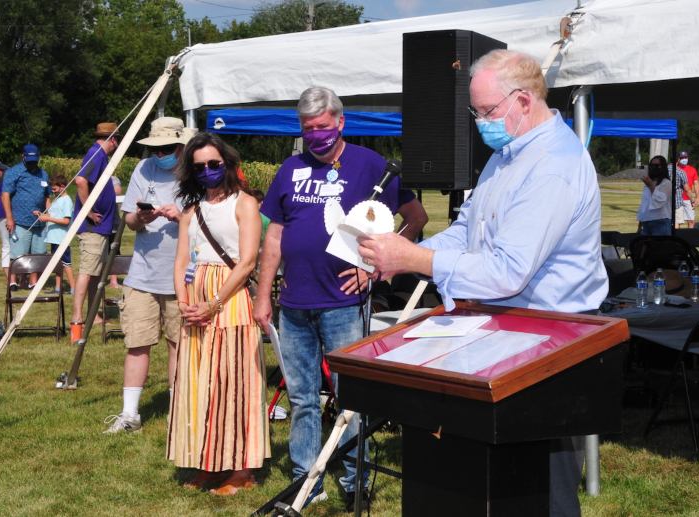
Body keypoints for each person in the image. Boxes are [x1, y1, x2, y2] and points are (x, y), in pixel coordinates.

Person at [357, 49, 607, 516]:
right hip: (502, 333)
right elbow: (467, 231)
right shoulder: (507, 155)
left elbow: (507, 270)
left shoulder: (553, 165)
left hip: (551, 340)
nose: (481, 123)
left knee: (542, 487)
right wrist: (405, 256)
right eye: (476, 112)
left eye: (489, 112)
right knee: (490, 482)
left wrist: (416, 257)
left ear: (525, 101)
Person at [253, 86, 428, 510]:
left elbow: (416, 218)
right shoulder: (290, 168)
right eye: (307, 129)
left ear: (340, 122)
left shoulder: (370, 166)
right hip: (294, 304)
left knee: (350, 398)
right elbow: (274, 234)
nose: (315, 136)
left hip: (344, 305)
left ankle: (354, 478)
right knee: (302, 398)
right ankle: (305, 481)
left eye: (322, 128)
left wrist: (377, 267)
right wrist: (263, 296)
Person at [168, 132, 268, 495]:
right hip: (195, 302)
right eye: (199, 167)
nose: (208, 171)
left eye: (213, 164)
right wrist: (183, 301)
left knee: (234, 383)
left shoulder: (245, 204)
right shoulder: (191, 212)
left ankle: (241, 470)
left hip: (229, 302)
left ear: (226, 164)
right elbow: (181, 260)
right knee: (200, 384)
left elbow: (246, 263)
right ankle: (208, 462)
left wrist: (213, 305)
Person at [104, 117, 191, 434]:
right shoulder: (143, 170)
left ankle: (179, 412)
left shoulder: (196, 172)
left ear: (180, 146)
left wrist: (180, 217)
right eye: (156, 149)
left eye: (167, 149)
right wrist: (140, 216)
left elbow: (205, 223)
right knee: (137, 344)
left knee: (178, 345)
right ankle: (129, 415)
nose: (161, 154)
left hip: (182, 276)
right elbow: (128, 220)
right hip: (142, 275)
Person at [71, 122, 119, 342]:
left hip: (101, 227)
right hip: (93, 226)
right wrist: (89, 211)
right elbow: (80, 180)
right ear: (112, 139)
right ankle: (77, 319)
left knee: (95, 274)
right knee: (87, 271)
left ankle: (93, 315)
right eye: (116, 139)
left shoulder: (100, 155)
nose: (117, 144)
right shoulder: (96, 153)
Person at [1, 144, 51, 289]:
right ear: (23, 156)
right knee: (18, 254)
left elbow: (47, 196)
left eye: (34, 159)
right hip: (20, 221)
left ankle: (33, 281)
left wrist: (49, 214)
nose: (32, 162)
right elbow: (5, 195)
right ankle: (13, 281)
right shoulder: (13, 172)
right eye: (29, 159)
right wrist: (9, 218)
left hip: (40, 223)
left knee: (38, 253)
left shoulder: (43, 174)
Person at [35, 175, 74, 295]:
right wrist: (41, 214)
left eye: (55, 189)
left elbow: (66, 221)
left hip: (61, 239)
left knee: (66, 264)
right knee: (57, 264)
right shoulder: (57, 199)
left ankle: (74, 288)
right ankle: (58, 288)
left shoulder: (66, 201)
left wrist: (48, 219)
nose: (53, 191)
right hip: (54, 238)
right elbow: (53, 215)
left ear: (62, 187)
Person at [637, 156, 673, 236]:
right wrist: (640, 222)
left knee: (659, 247)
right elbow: (645, 204)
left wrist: (650, 186)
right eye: (652, 165)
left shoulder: (666, 183)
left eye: (657, 165)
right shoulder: (649, 183)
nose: (654, 168)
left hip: (660, 221)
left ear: (663, 167)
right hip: (646, 222)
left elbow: (660, 200)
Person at [677, 150, 699, 228]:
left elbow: (696, 183)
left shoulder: (692, 169)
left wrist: (697, 197)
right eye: (682, 157)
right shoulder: (675, 169)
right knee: (677, 221)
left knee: (691, 220)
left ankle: (690, 237)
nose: (684, 159)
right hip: (677, 199)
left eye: (685, 157)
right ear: (678, 159)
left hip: (688, 198)